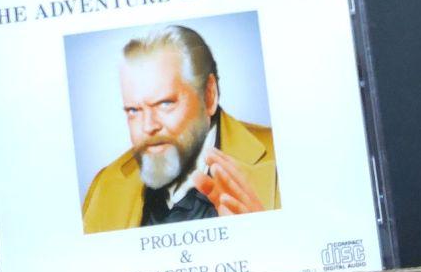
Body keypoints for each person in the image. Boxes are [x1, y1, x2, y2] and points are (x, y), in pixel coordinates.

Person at [82, 24, 280, 233]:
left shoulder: (281, 158)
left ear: (209, 96)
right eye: (134, 110)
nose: (148, 126)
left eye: (165, 103)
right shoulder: (104, 187)